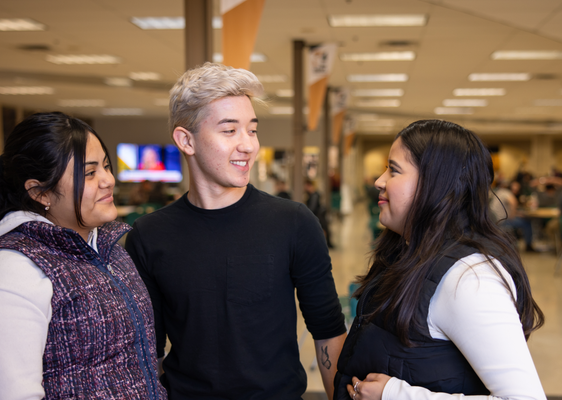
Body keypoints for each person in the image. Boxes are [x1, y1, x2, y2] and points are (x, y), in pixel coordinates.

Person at [125, 63, 347, 400]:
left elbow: (328, 332)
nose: (248, 146)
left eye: (252, 130)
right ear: (186, 140)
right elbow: (149, 351)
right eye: (230, 131)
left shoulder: (294, 222)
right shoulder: (149, 235)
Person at [0, 112, 167, 400]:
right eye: (90, 173)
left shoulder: (109, 250)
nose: (108, 180)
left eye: (106, 166)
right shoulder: (7, 272)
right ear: (40, 193)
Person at [334, 120, 545, 400]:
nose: (379, 181)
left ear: (435, 185)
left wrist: (395, 395)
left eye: (393, 170)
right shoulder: (409, 251)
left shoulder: (469, 278)